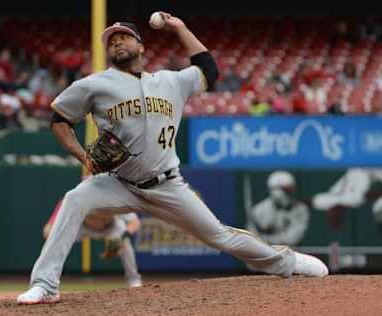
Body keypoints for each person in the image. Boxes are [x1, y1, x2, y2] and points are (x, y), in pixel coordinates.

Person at [17, 12, 328, 305]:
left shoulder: (171, 81)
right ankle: (45, 285)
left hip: (168, 185)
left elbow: (209, 70)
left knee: (221, 236)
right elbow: (59, 118)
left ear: (140, 45)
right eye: (111, 41)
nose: (117, 42)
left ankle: (287, 262)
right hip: (118, 182)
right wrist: (82, 155)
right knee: (75, 199)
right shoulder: (93, 84)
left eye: (123, 37)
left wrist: (179, 28)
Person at [43, 197, 143, 288]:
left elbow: (134, 223)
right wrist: (53, 239)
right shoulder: (75, 198)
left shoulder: (114, 197)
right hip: (82, 227)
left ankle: (134, 280)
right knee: (57, 242)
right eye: (86, 176)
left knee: (125, 243)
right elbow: (48, 229)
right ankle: (46, 280)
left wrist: (120, 240)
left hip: (111, 227)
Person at [245, 171, 310, 246]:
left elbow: (293, 239)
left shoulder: (301, 209)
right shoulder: (259, 210)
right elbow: (252, 238)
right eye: (286, 190)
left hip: (292, 253)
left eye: (291, 189)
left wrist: (265, 239)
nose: (290, 193)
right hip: (262, 253)